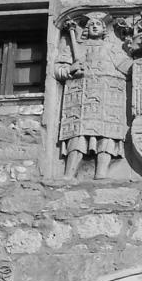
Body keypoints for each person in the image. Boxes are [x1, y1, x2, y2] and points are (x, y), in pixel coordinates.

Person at [55, 13, 132, 180]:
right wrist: (70, 70)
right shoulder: (76, 47)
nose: (95, 26)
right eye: (91, 24)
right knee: (78, 135)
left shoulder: (111, 48)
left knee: (107, 135)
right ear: (86, 29)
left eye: (98, 24)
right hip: (81, 96)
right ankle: (69, 173)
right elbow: (58, 69)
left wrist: (139, 60)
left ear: (104, 29)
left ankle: (101, 172)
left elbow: (126, 67)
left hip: (107, 96)